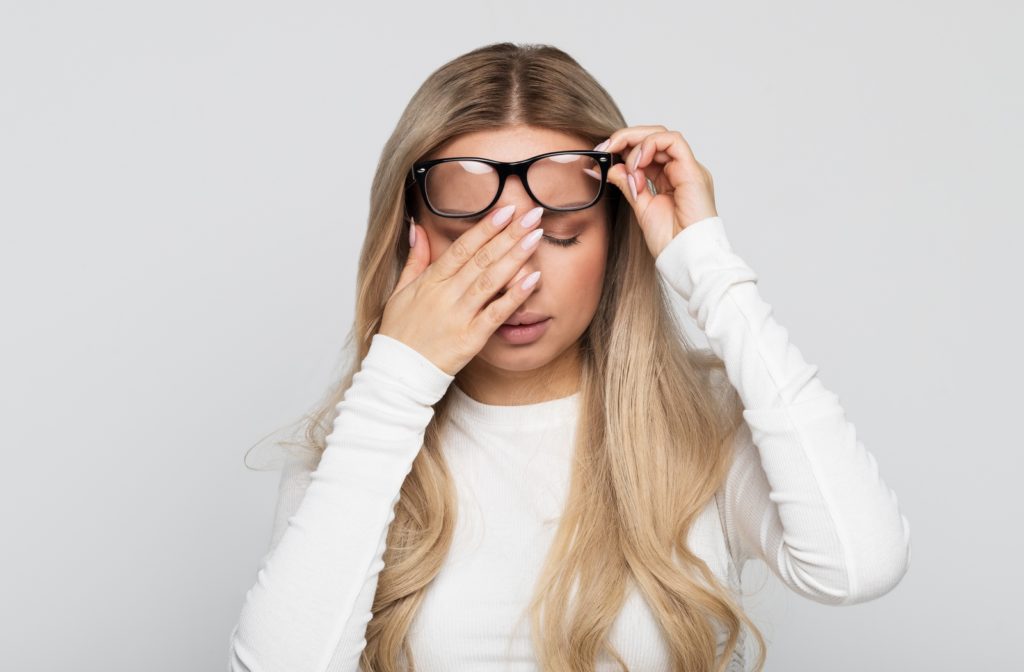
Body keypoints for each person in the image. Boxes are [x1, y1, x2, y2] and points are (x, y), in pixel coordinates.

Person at [227, 42, 911, 672]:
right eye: (477, 244)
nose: (517, 282)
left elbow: (859, 564)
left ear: (614, 236)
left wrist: (708, 266)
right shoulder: (363, 445)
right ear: (412, 243)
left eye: (559, 234)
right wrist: (397, 374)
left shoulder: (700, 429)